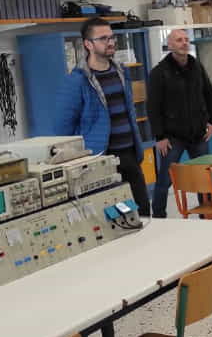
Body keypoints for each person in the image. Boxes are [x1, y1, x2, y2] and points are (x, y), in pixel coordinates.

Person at [55, 17, 149, 216]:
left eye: (111, 37)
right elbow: (63, 129)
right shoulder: (78, 80)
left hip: (129, 155)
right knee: (112, 217)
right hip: (101, 159)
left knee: (142, 212)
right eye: (103, 38)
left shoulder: (121, 72)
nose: (111, 42)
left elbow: (129, 111)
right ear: (88, 44)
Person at [146, 28, 212, 218]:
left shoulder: (197, 67)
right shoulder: (159, 73)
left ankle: (209, 216)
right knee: (165, 179)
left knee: (204, 177)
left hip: (198, 133)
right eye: (179, 40)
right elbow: (153, 107)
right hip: (172, 137)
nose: (184, 43)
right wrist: (159, 136)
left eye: (186, 39)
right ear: (169, 45)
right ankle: (159, 217)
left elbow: (210, 94)